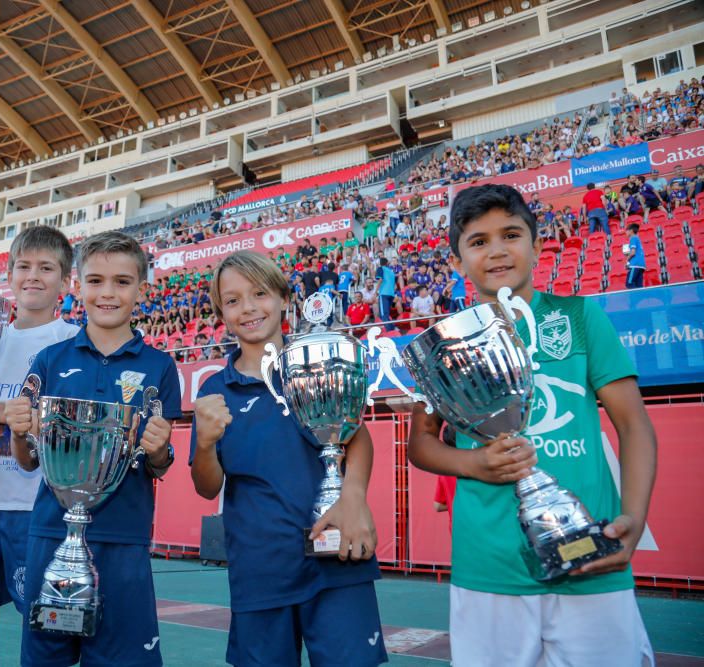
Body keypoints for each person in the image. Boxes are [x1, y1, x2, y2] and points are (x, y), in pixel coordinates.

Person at [408, 184, 657, 666]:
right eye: (478, 242)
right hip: (489, 567)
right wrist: (475, 462)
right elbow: (421, 444)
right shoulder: (444, 342)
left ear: (537, 244)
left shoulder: (580, 318)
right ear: (458, 261)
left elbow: (634, 425)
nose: (497, 250)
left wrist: (636, 517)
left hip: (591, 556)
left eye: (511, 235)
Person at [191, 250, 386, 667]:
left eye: (259, 293)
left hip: (338, 560)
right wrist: (205, 444)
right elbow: (207, 485)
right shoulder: (213, 389)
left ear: (284, 299)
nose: (248, 308)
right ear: (221, 313)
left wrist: (353, 498)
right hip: (260, 571)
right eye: (233, 300)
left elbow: (357, 436)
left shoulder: (315, 361)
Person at [5, 231, 182, 667]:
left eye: (122, 282)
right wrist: (16, 430)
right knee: (45, 659)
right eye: (97, 280)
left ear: (141, 288)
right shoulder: (50, 360)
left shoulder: (159, 365)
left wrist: (159, 449)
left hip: (124, 540)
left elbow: (158, 465)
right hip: (50, 534)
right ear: (78, 286)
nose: (108, 293)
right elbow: (28, 460)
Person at [0, 227, 79, 667]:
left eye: (46, 268)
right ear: (8, 274)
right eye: (23, 266)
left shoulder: (71, 341)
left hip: (37, 509)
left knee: (41, 628)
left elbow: (67, 425)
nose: (33, 277)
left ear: (66, 281)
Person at [624, 223, 646, 289]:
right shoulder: (637, 238)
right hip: (641, 265)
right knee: (639, 285)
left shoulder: (633, 238)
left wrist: (627, 259)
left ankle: (634, 298)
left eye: (626, 230)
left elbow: (633, 252)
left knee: (629, 283)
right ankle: (640, 298)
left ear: (631, 231)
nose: (626, 232)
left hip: (635, 264)